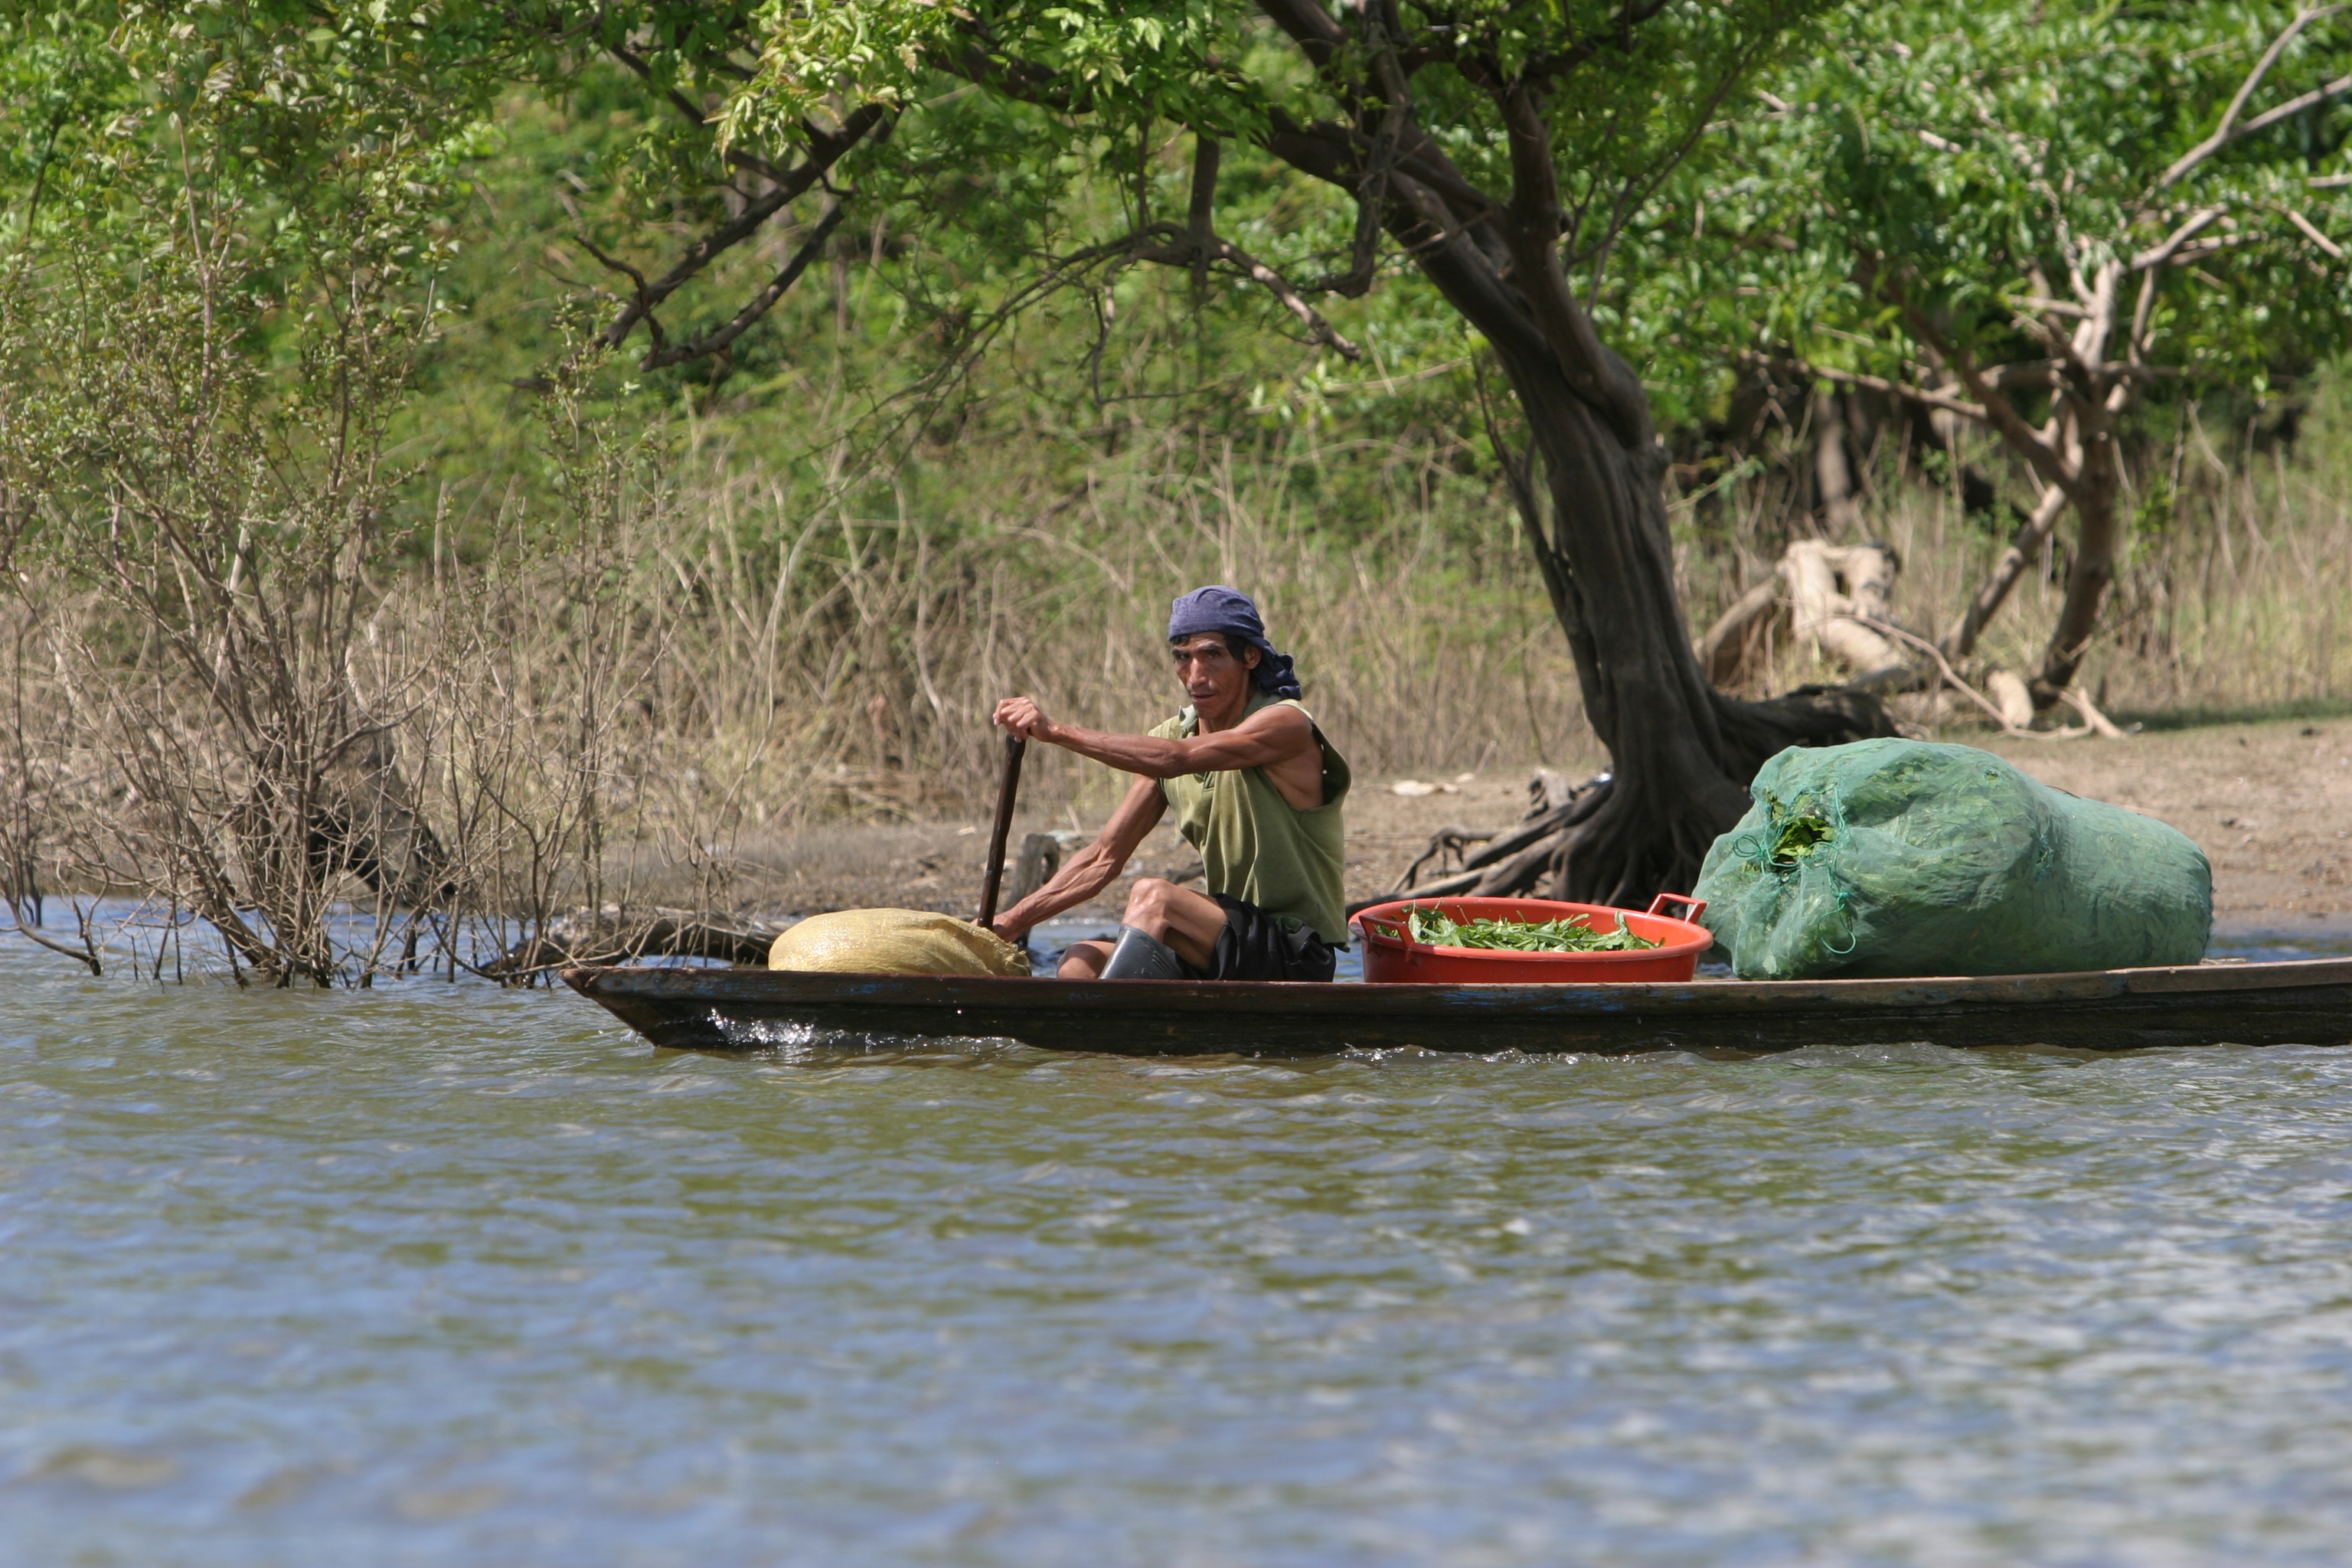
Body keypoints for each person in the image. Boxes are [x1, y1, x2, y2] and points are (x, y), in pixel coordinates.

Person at [988, 586, 1351, 981]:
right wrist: (1010, 921)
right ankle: (1111, 1039)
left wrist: (1055, 731)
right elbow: (1102, 859)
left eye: (1212, 655)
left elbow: (1177, 759)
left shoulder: (1285, 724)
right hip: (1226, 941)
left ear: (1250, 656)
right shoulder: (1172, 735)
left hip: (1294, 951)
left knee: (1155, 896)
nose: (1195, 676)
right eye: (1183, 658)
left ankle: (1117, 1020)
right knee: (1081, 959)